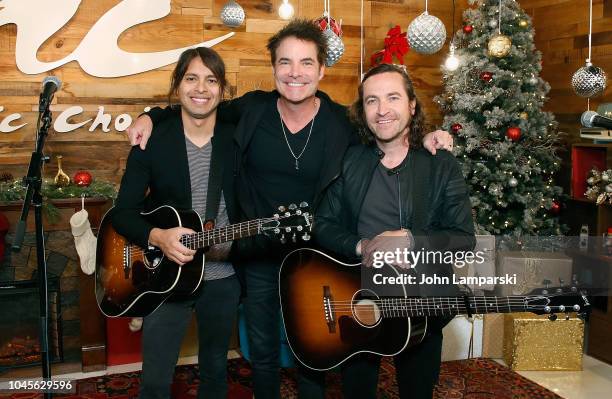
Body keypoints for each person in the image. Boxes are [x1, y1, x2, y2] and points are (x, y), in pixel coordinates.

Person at [126, 20, 455, 398]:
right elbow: (199, 105)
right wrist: (150, 115)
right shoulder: (251, 110)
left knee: (313, 355)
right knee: (263, 354)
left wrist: (426, 136)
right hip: (258, 255)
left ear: (321, 69)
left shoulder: (341, 122)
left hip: (319, 258)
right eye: (285, 62)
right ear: (274, 69)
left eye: (305, 63)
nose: (294, 72)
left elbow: (386, 134)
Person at [313, 63, 476, 398]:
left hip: (420, 306)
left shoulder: (439, 163)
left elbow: (464, 240)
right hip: (360, 301)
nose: (382, 110)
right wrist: (361, 246)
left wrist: (412, 240)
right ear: (363, 110)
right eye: (372, 100)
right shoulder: (350, 160)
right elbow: (322, 224)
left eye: (392, 97)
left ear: (412, 105)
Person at [112, 47, 241, 399]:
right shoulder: (154, 140)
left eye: (211, 80)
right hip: (166, 277)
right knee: (155, 381)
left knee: (216, 371)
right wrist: (158, 235)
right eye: (191, 78)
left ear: (222, 89)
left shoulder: (237, 137)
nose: (201, 88)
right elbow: (121, 212)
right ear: (177, 84)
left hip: (222, 278)